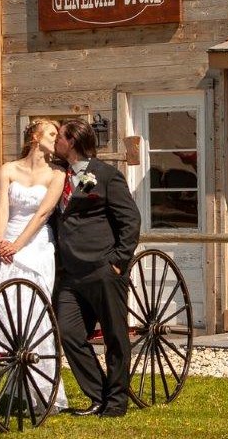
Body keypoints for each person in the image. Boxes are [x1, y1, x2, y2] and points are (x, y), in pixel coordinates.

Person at [0, 117, 68, 412]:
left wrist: (18, 245)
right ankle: (12, 367)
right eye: (53, 133)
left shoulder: (57, 174)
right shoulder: (8, 169)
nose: (58, 138)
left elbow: (42, 214)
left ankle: (40, 387)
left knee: (30, 310)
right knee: (0, 305)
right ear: (36, 137)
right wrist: (1, 242)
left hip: (35, 244)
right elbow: (2, 208)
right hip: (6, 241)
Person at [50, 118, 141, 418]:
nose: (55, 142)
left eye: (59, 137)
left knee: (115, 336)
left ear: (72, 141)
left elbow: (130, 220)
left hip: (103, 270)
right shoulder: (57, 176)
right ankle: (98, 395)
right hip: (70, 276)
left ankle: (116, 403)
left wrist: (117, 262)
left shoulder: (106, 176)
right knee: (68, 333)